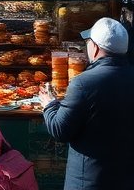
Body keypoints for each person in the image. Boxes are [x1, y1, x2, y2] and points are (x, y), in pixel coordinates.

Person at [39, 16, 134, 189]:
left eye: (88, 42)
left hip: (89, 181)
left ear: (95, 48)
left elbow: (60, 129)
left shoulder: (84, 83)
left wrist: (49, 104)